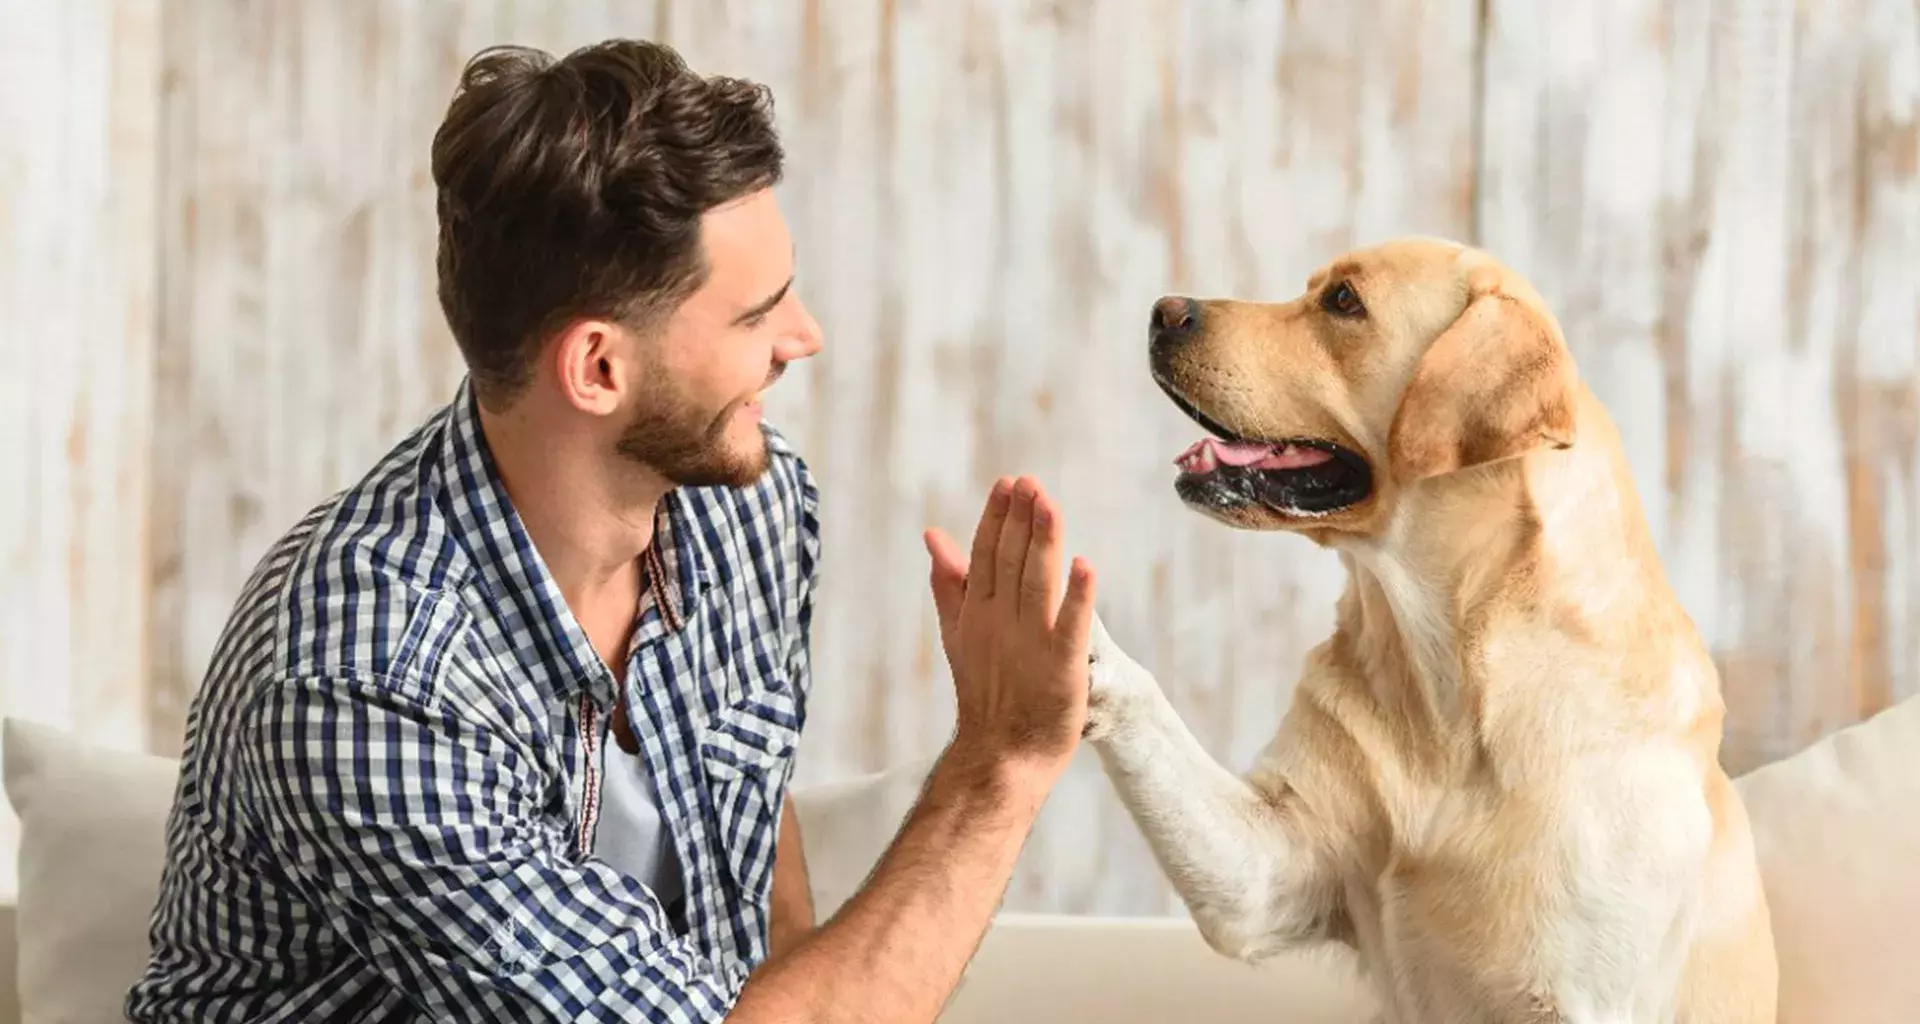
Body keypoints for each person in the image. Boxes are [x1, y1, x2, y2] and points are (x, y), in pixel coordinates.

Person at [125, 36, 1099, 1024]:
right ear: (597, 369)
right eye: (755, 314)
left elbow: (758, 860)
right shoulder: (368, 672)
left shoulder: (747, 506)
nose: (803, 338)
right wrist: (1001, 760)